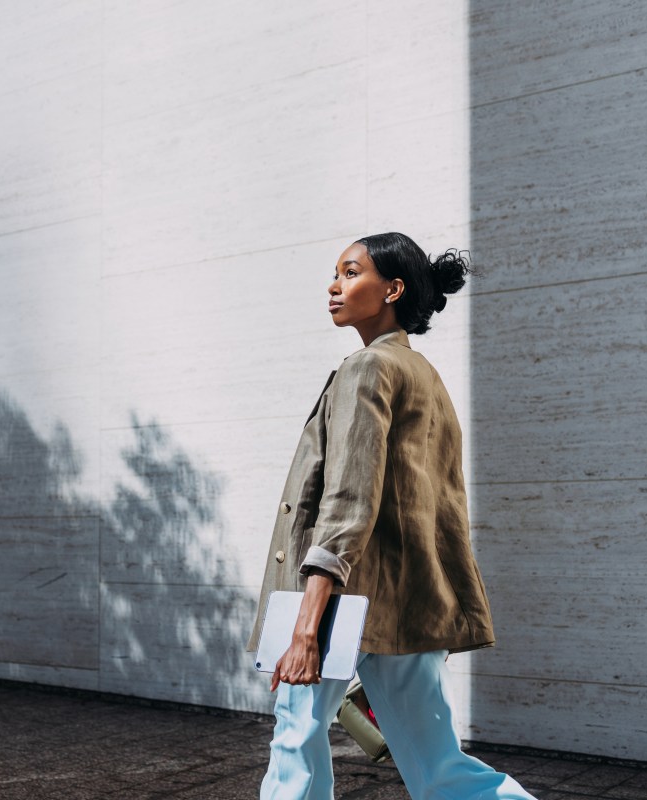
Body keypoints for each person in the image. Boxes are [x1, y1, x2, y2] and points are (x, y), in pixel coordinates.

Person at [247, 233, 537, 800]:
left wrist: (306, 628)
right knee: (438, 766)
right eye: (335, 272)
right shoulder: (424, 375)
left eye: (351, 273)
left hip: (340, 601)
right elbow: (443, 508)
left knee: (295, 747)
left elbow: (348, 501)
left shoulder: (366, 369)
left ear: (392, 290)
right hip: (406, 604)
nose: (334, 285)